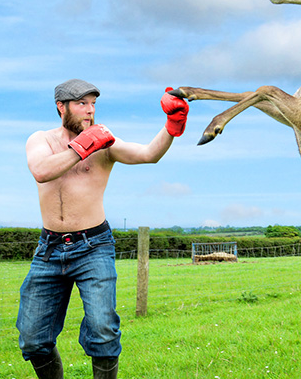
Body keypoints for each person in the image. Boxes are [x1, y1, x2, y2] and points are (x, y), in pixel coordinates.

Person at [16, 78, 188, 379]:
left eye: (93, 104)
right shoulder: (40, 140)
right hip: (49, 250)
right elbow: (41, 172)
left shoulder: (105, 143)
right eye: (82, 103)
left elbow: (149, 154)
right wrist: (82, 147)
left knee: (103, 331)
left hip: (93, 246)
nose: (90, 111)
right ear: (61, 106)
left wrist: (172, 125)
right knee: (32, 337)